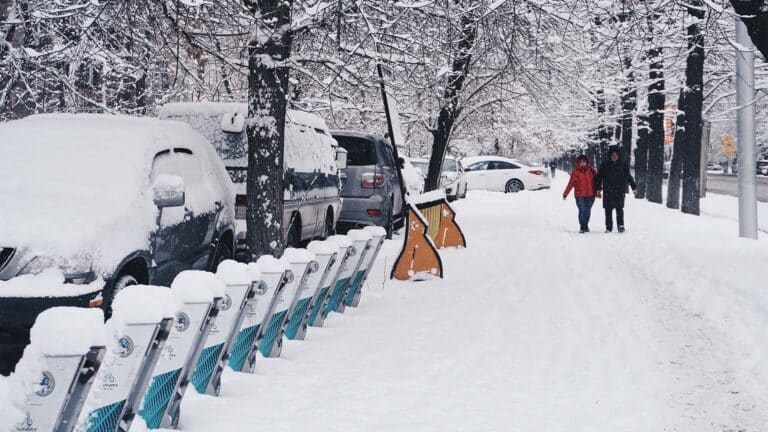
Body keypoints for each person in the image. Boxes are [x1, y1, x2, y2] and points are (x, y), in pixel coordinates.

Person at [594, 147, 637, 233]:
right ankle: (609, 227)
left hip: (619, 190)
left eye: (616, 155)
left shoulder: (623, 164)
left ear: (618, 155)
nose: (614, 156)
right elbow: (599, 177)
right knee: (608, 209)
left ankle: (620, 226)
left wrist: (633, 187)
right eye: (612, 155)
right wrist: (598, 189)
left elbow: (628, 176)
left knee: (619, 209)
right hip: (608, 191)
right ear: (610, 155)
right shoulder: (605, 164)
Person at [563, 154, 597, 233]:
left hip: (590, 194)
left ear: (586, 161)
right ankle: (582, 226)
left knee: (588, 210)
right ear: (578, 162)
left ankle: (585, 225)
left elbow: (597, 181)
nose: (582, 163)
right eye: (580, 161)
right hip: (579, 195)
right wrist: (565, 193)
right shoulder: (575, 172)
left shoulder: (591, 170)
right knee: (582, 210)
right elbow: (570, 184)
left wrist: (598, 189)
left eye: (583, 161)